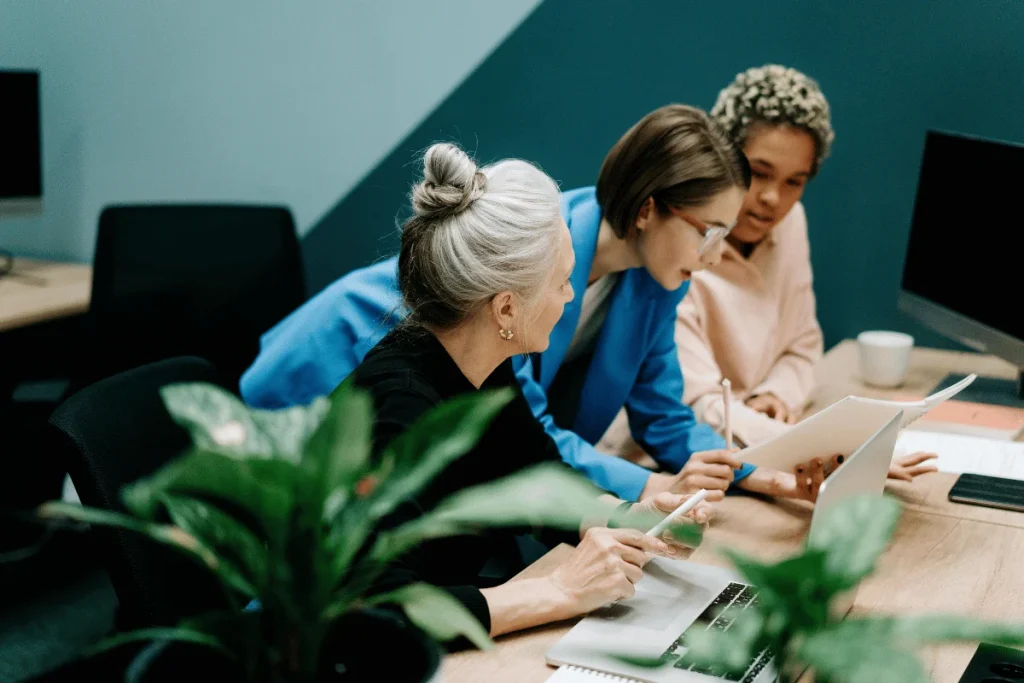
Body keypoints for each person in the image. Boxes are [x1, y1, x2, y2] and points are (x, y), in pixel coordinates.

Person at [242, 105, 828, 503]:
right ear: (649, 209)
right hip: (335, 364)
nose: (714, 255)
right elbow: (531, 430)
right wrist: (648, 490)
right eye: (709, 232)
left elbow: (664, 416)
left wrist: (762, 475)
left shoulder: (656, 281)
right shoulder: (537, 267)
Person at [358, 142, 726, 639]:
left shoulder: (484, 365)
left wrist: (635, 520)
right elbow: (379, 610)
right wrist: (560, 590)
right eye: (561, 283)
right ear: (506, 309)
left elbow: (539, 479)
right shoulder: (397, 409)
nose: (573, 296)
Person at [602, 66, 935, 481]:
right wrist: (827, 447)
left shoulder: (791, 221)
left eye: (795, 181)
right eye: (759, 173)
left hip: (754, 445)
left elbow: (802, 342)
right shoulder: (674, 247)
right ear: (723, 157)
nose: (774, 199)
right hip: (665, 464)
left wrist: (774, 394)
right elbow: (692, 404)